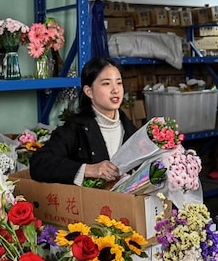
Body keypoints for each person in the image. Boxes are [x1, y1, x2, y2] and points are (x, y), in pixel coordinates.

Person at [29, 57, 137, 185]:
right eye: (106, 83)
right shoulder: (75, 128)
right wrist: (88, 169)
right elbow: (39, 164)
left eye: (119, 83)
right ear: (89, 91)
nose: (115, 90)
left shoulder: (132, 131)